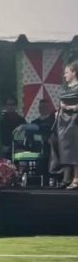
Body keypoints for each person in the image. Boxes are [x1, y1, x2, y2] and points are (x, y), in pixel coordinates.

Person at [51, 61, 78, 189]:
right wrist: (59, 111)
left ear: (74, 72)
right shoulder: (65, 88)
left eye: (67, 72)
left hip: (75, 120)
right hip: (63, 122)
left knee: (74, 149)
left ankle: (76, 179)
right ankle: (66, 177)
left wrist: (70, 107)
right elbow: (61, 102)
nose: (64, 75)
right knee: (64, 149)